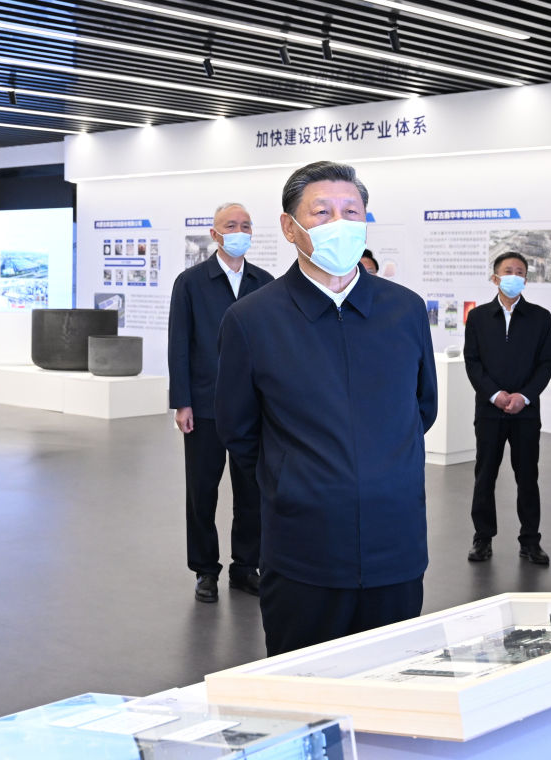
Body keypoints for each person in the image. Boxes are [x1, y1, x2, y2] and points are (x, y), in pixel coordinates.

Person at [215, 161, 437, 656]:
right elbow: (238, 430)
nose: (340, 223)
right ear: (289, 227)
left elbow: (423, 408)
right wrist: (297, 479)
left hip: (396, 545)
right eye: (322, 212)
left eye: (351, 212)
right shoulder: (252, 319)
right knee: (304, 684)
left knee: (394, 683)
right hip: (303, 553)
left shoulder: (404, 310)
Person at [167, 202, 274, 603]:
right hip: (205, 405)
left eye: (246, 225)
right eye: (231, 225)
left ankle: (246, 566)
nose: (239, 231)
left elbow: (273, 346)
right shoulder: (191, 283)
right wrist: (182, 402)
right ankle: (205, 570)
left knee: (252, 492)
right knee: (202, 491)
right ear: (214, 234)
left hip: (252, 408)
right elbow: (179, 344)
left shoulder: (264, 282)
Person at [464, 252, 551, 565]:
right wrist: (494, 395)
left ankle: (530, 540)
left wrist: (524, 397)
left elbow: (546, 364)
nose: (514, 276)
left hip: (526, 412)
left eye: (520, 272)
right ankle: (482, 538)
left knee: (527, 477)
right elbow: (472, 362)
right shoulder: (478, 317)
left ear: (526, 279)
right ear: (495, 278)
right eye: (508, 271)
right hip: (489, 411)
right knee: (485, 475)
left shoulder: (540, 317)